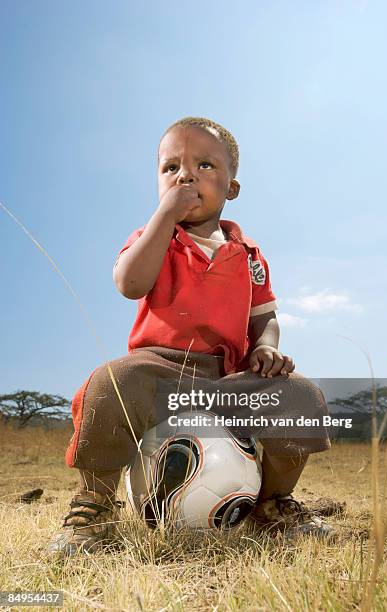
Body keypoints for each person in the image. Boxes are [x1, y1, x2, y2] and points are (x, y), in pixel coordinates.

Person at [47, 117, 331, 557]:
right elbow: (129, 284)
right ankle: (94, 506)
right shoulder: (153, 237)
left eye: (203, 165)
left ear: (231, 189)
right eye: (170, 168)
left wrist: (266, 348)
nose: (185, 175)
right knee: (107, 384)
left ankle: (273, 504)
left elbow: (265, 317)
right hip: (159, 371)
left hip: (228, 378)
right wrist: (163, 217)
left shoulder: (249, 253)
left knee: (302, 397)